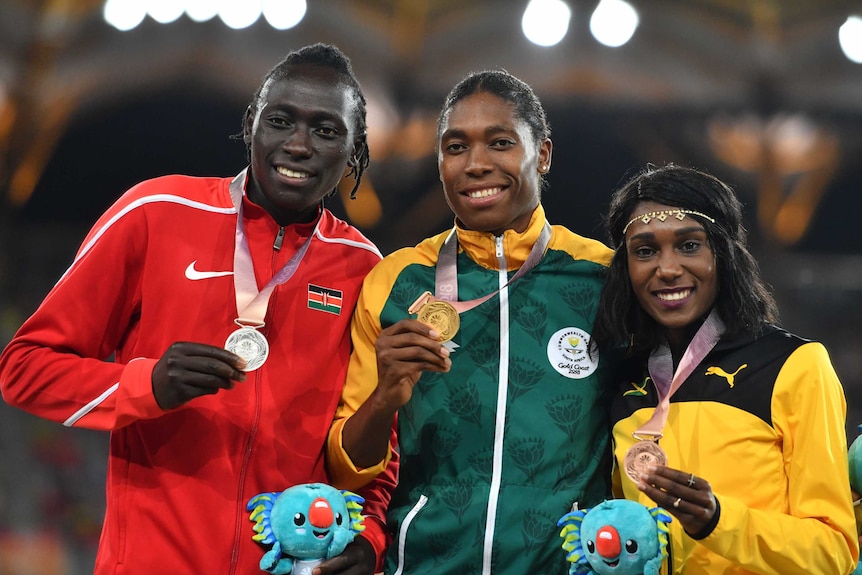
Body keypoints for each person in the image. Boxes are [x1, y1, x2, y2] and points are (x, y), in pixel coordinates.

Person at [0, 43, 397, 575]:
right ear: (252, 124)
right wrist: (146, 386)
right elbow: (24, 368)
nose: (299, 145)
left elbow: (379, 437)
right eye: (281, 121)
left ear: (354, 152)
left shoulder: (364, 268)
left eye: (327, 130)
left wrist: (369, 536)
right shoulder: (155, 213)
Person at [325, 69, 614, 574]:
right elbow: (347, 468)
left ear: (542, 153)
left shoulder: (603, 278)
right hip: (422, 563)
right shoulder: (396, 281)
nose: (476, 165)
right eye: (455, 148)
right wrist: (384, 398)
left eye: (500, 143)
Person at [590, 163, 859, 574]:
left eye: (689, 245)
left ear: (724, 253)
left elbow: (833, 551)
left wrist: (718, 521)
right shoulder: (622, 382)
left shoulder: (794, 365)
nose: (667, 268)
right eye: (645, 251)